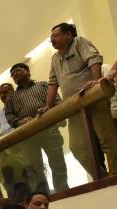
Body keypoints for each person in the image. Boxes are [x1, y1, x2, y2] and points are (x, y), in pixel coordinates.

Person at [42, 22, 117, 177]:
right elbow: (52, 83)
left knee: (107, 140)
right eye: (51, 38)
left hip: (93, 98)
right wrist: (48, 106)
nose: (52, 40)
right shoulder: (55, 58)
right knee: (77, 147)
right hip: (74, 107)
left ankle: (116, 175)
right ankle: (101, 178)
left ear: (68, 34)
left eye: (56, 35)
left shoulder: (79, 42)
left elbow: (94, 59)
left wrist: (97, 83)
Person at [5, 63, 69, 192]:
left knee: (58, 163)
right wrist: (20, 122)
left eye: (18, 70)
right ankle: (42, 195)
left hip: (49, 130)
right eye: (12, 74)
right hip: (28, 136)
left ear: (28, 72)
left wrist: (46, 113)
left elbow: (57, 101)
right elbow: (9, 116)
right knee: (35, 169)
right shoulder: (11, 97)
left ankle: (63, 191)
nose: (15, 74)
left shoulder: (44, 85)